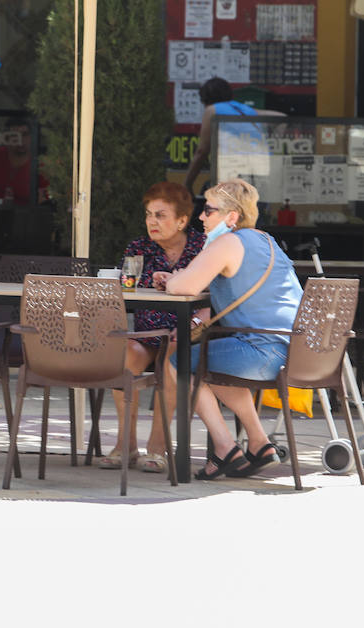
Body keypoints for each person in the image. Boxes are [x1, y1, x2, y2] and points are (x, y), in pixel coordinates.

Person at [165, 179, 302, 479]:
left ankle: (226, 447)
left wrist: (173, 279)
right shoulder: (266, 240)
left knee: (181, 361)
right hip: (295, 353)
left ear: (232, 217)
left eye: (209, 210)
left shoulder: (228, 242)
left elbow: (184, 286)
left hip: (262, 352)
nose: (201, 216)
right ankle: (259, 443)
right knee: (211, 361)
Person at [101, 182, 206, 474]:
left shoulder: (202, 246)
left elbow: (212, 291)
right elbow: (127, 287)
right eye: (149, 214)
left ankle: (158, 447)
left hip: (186, 331)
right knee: (127, 356)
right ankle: (126, 445)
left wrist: (177, 280)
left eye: (160, 215)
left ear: (183, 220)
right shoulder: (139, 247)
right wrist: (153, 283)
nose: (152, 221)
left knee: (171, 356)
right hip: (147, 332)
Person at [182, 77, 282, 193]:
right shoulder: (245, 110)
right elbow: (281, 118)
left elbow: (202, 151)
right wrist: (274, 142)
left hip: (234, 171)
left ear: (205, 98)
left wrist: (187, 183)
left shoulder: (212, 110)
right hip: (263, 171)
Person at [0, 117, 49, 206]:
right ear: (6, 137)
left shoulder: (39, 165)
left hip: (23, 218)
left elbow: (43, 202)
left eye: (25, 134)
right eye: (14, 135)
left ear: (32, 137)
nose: (20, 140)